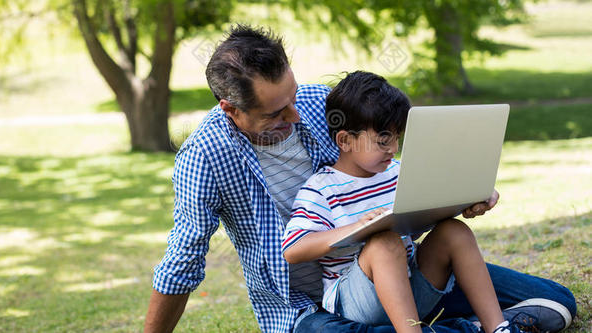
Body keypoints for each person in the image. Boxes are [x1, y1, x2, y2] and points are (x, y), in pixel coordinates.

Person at [144, 25, 576, 333]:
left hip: (402, 276)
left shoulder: (319, 105)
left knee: (560, 300)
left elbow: (394, 178)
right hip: (306, 310)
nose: (295, 115)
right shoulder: (205, 156)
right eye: (276, 112)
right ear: (231, 110)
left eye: (292, 97)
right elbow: (182, 264)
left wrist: (461, 195)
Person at [282, 71, 525, 333]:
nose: (393, 148)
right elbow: (293, 249)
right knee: (384, 242)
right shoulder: (321, 189)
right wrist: (357, 229)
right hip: (357, 303)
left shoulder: (398, 172)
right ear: (345, 140)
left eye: (398, 138)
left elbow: (438, 198)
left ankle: (497, 327)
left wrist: (475, 194)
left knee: (455, 231)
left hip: (410, 291)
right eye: (384, 140)